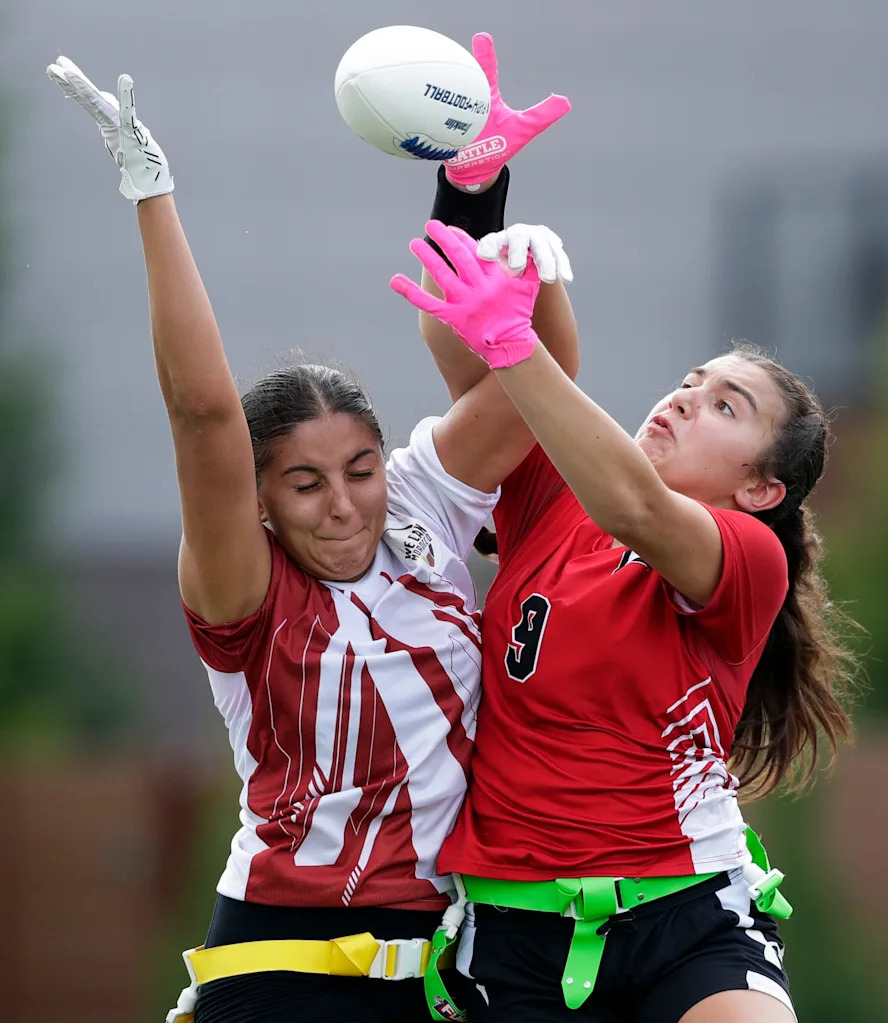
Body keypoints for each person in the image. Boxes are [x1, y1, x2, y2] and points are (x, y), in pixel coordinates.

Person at [46, 41, 574, 1023]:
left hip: (440, 970)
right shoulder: (242, 596)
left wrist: (477, 191)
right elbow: (206, 419)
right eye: (304, 483)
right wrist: (153, 198)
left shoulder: (422, 503)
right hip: (277, 962)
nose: (343, 503)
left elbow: (533, 383)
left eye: (359, 471)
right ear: (259, 502)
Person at [392, 207, 858, 1020]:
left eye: (725, 406)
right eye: (688, 382)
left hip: (683, 914)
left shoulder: (751, 558)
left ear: (761, 490)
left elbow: (635, 505)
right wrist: (473, 184)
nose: (683, 400)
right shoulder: (555, 497)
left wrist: (518, 338)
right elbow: (474, 365)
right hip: (513, 929)